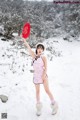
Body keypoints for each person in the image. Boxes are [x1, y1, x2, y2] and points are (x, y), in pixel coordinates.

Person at [22, 38, 58, 116]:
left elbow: (46, 67)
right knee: (37, 92)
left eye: (41, 49)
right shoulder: (34, 56)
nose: (40, 50)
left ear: (43, 50)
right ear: (37, 49)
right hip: (36, 76)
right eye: (38, 48)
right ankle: (38, 108)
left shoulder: (43, 57)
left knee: (47, 90)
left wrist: (43, 76)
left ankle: (54, 106)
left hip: (43, 76)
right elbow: (29, 48)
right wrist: (25, 41)